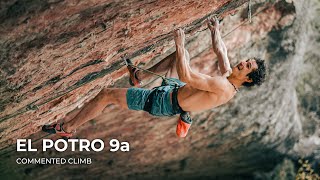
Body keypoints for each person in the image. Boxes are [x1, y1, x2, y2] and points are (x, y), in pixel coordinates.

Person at [42, 17, 266, 138]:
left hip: (162, 102)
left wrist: (180, 43)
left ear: (247, 79)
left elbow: (187, 75)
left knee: (106, 95)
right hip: (174, 92)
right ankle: (138, 76)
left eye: (246, 66)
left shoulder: (222, 86)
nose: (242, 63)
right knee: (180, 57)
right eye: (246, 61)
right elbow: (222, 52)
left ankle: (68, 127)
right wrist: (215, 30)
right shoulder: (229, 77)